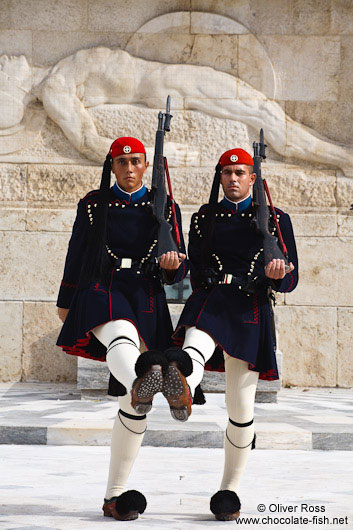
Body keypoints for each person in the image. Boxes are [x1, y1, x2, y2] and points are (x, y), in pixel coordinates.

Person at [56, 136, 190, 521]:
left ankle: (115, 497)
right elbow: (76, 252)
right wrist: (66, 301)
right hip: (101, 285)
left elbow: (179, 270)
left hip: (146, 293)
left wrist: (170, 265)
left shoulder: (165, 206)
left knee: (132, 407)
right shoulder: (94, 205)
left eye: (135, 162)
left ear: (146, 166)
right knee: (121, 334)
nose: (129, 169)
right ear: (111, 167)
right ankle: (147, 372)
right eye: (121, 162)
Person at [172, 147, 299, 521]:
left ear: (252, 178)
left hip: (249, 307)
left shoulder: (277, 220)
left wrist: (279, 275)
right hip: (211, 299)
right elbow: (190, 268)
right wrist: (173, 265)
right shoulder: (203, 219)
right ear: (220, 177)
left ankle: (229, 490)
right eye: (227, 173)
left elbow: (291, 279)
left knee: (240, 409)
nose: (233, 179)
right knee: (193, 347)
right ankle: (182, 384)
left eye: (240, 173)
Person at [1, 50, 353, 175]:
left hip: (170, 79)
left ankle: (340, 157)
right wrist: (156, 154)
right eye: (1, 73)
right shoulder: (53, 89)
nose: (4, 61)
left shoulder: (52, 73)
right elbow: (90, 143)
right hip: (169, 84)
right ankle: (341, 159)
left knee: (265, 114)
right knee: (266, 116)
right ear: (13, 95)